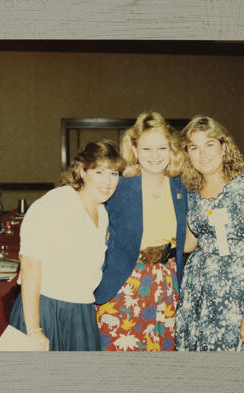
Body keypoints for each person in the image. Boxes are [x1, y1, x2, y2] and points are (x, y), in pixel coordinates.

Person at [8, 140, 125, 351]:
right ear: (82, 171)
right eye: (100, 172)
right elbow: (30, 267)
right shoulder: (56, 203)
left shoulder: (103, 213)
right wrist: (34, 330)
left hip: (81, 313)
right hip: (45, 311)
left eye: (114, 174)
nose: (108, 181)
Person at [175, 115, 244, 351]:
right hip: (197, 289)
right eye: (194, 148)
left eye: (209, 145)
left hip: (234, 293)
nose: (202, 154)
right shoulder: (193, 191)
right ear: (187, 153)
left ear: (224, 146)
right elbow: (188, 244)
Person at [94, 111, 186, 351]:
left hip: (166, 286)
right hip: (123, 284)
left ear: (171, 149)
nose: (155, 156)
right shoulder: (118, 185)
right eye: (147, 149)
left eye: (162, 148)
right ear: (134, 150)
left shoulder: (182, 187)